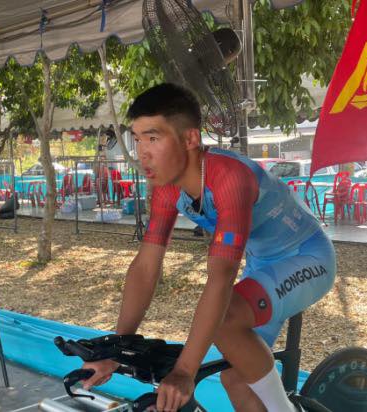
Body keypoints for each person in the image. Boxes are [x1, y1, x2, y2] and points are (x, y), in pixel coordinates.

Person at [80, 83, 335, 412]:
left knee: (226, 320)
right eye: (137, 138)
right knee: (237, 378)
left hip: (308, 256)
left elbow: (221, 278)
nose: (142, 152)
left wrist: (185, 372)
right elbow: (146, 267)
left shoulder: (230, 178)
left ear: (190, 139)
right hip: (262, 263)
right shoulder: (167, 188)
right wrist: (116, 350)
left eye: (153, 138)